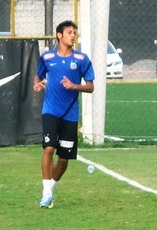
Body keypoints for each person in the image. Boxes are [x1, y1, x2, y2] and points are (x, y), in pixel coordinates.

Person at [33, 20, 95, 208]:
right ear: (59, 35)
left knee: (63, 159)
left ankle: (50, 189)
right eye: (69, 32)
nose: (73, 35)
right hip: (50, 110)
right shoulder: (47, 57)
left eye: (75, 32)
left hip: (70, 114)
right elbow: (38, 75)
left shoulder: (82, 59)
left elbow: (91, 87)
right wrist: (36, 83)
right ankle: (45, 192)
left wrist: (74, 86)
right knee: (49, 148)